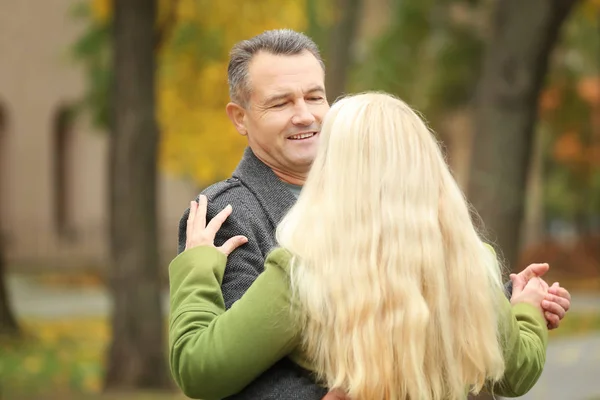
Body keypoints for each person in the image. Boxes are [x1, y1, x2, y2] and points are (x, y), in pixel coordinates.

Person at [174, 29, 571, 399]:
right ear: (240, 117)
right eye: (281, 102)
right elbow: (232, 370)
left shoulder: (447, 249)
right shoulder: (228, 216)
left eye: (315, 97)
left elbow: (438, 321)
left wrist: (504, 302)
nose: (306, 116)